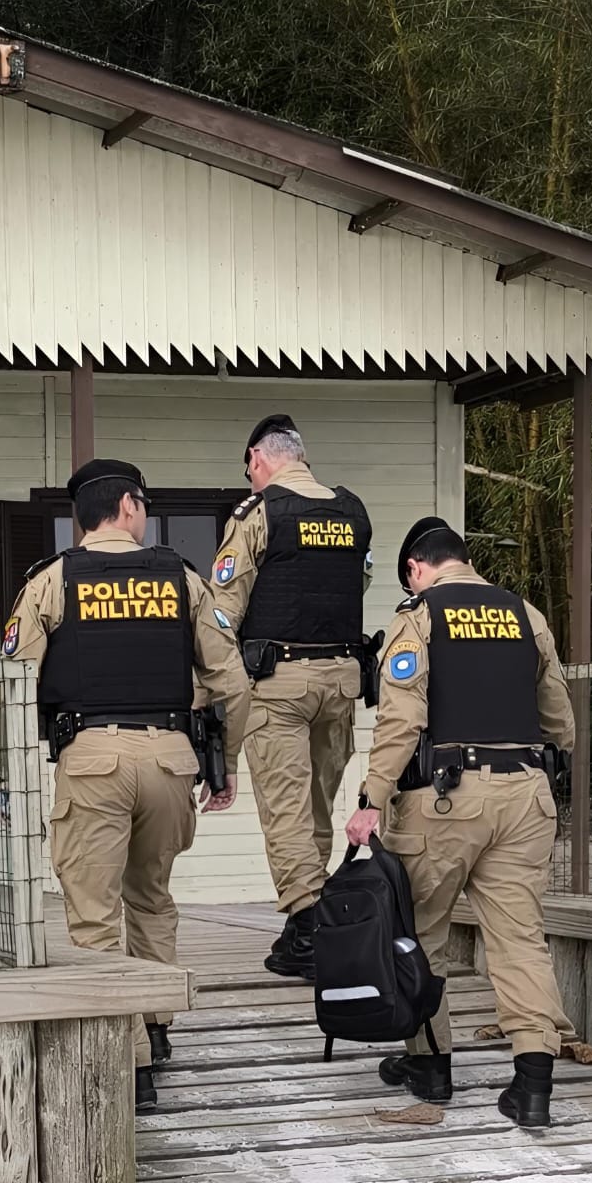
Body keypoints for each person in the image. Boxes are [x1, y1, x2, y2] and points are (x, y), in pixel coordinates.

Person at [3, 458, 250, 1111]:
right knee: (151, 898)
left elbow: (11, 683)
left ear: (80, 518)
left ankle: (128, 1061)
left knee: (93, 914)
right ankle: (158, 1027)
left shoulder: (50, 582)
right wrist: (223, 759)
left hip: (91, 761)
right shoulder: (183, 579)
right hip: (172, 760)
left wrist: (15, 773)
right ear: (132, 507)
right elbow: (231, 681)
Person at [345, 517, 576, 1127]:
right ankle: (532, 1083)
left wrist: (372, 799)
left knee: (421, 936)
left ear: (416, 568)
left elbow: (399, 723)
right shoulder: (525, 614)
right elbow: (560, 717)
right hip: (526, 796)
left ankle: (430, 1067)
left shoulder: (419, 619)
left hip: (443, 800)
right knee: (520, 939)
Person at [210, 414, 374, 981]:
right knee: (316, 807)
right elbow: (359, 585)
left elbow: (222, 610)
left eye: (249, 468)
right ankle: (305, 917)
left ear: (258, 458)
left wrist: (210, 682)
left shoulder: (260, 514)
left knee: (286, 809)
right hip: (343, 680)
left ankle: (307, 931)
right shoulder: (352, 512)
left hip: (279, 683)